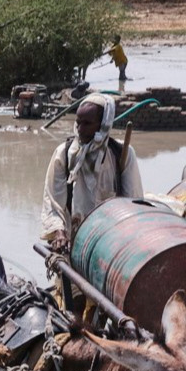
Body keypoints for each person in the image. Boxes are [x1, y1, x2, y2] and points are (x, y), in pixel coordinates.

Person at [41, 94, 142, 254]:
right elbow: (52, 201)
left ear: (103, 124)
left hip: (110, 243)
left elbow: (133, 203)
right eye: (78, 122)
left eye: (87, 124)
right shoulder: (64, 154)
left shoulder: (122, 154)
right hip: (71, 241)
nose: (80, 129)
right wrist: (59, 232)